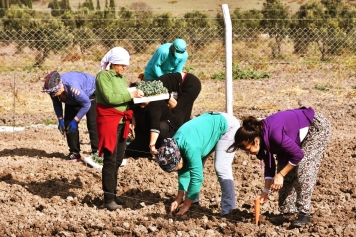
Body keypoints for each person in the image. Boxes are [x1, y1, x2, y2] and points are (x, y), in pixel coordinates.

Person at [228, 107, 331, 227]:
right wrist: (265, 191)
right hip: (290, 135)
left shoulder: (274, 134)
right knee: (283, 166)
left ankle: (304, 212)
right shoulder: (262, 138)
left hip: (314, 127)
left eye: (247, 149)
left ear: (256, 141)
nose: (247, 153)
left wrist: (281, 174)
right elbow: (270, 165)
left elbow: (298, 155)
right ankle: (288, 211)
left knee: (304, 166)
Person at [156, 112, 240, 216]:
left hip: (227, 126)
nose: (176, 171)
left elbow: (197, 177)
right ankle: (193, 202)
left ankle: (229, 210)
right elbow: (184, 171)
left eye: (175, 168)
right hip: (206, 130)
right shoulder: (174, 146)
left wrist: (186, 204)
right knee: (190, 165)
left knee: (221, 167)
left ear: (179, 157)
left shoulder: (189, 147)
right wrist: (178, 199)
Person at [96, 46, 144, 211]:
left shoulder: (121, 78)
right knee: (110, 160)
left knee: (118, 160)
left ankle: (113, 194)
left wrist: (135, 106)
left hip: (122, 122)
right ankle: (108, 198)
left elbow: (123, 99)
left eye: (126, 65)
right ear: (113, 63)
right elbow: (110, 98)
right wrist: (131, 95)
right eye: (121, 64)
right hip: (110, 122)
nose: (124, 67)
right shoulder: (103, 76)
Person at [42, 71, 98, 162]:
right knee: (68, 123)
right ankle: (74, 153)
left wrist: (76, 120)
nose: (53, 95)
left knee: (92, 124)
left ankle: (97, 152)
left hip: (90, 92)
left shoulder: (73, 89)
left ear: (60, 87)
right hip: (71, 98)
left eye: (54, 93)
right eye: (51, 93)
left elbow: (86, 104)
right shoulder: (54, 90)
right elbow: (56, 104)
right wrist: (60, 119)